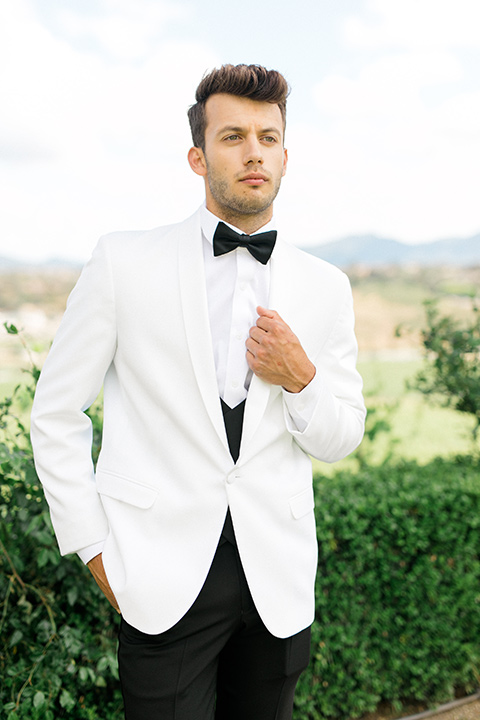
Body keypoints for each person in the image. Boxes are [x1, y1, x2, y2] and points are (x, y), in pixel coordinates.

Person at [31, 63, 366, 720]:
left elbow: (340, 436)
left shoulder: (327, 287)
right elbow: (56, 412)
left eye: (268, 138)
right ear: (198, 155)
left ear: (285, 156)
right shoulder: (123, 263)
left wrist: (303, 379)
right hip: (158, 582)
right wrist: (97, 552)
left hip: (279, 586)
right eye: (233, 136)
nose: (253, 153)